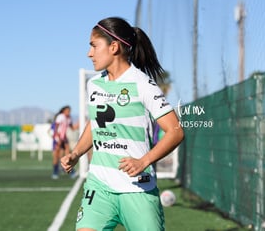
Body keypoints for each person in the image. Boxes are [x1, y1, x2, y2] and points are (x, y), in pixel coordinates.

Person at [61, 17, 184, 231]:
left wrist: (143, 161)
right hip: (99, 186)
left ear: (114, 47)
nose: (89, 53)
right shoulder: (94, 85)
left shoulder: (143, 85)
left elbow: (175, 131)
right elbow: (95, 124)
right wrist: (76, 153)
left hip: (138, 189)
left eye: (93, 46)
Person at [52, 105, 78, 179]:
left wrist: (80, 123)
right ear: (64, 111)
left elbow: (72, 128)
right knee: (56, 155)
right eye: (67, 111)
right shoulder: (61, 116)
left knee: (67, 155)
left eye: (69, 111)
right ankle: (55, 172)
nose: (69, 112)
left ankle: (71, 171)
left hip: (64, 138)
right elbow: (56, 126)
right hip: (59, 137)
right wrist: (56, 135)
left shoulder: (69, 118)